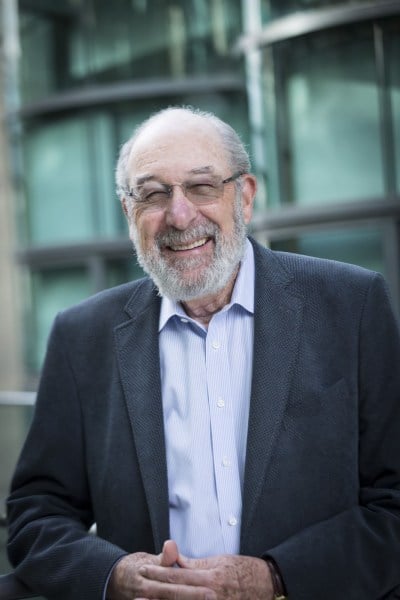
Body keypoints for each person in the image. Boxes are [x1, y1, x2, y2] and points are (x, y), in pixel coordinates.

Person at [6, 106, 400, 600]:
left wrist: (274, 578)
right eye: (152, 194)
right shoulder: (82, 335)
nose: (179, 214)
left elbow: (393, 502)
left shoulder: (352, 305)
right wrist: (115, 576)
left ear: (246, 196)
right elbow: (37, 513)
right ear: (129, 213)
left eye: (202, 186)